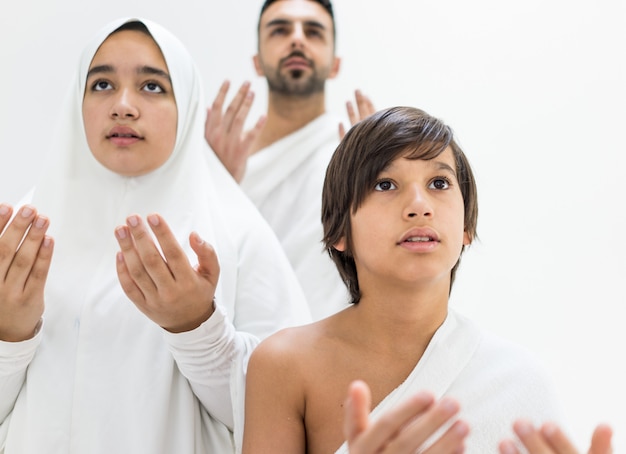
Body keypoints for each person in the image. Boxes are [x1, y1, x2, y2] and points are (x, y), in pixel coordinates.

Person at [0, 17, 311, 454]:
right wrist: (9, 335)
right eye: (102, 84)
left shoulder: (233, 229)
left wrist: (198, 330)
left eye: (152, 87)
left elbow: (287, 411)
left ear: (186, 104)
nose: (123, 105)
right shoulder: (24, 231)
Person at [241, 106, 612, 453]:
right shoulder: (283, 366)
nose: (420, 205)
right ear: (340, 231)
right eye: (385, 185)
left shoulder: (518, 382)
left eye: (439, 182)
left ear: (466, 226)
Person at [205, 0, 375, 320]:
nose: (297, 39)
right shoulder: (222, 155)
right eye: (280, 30)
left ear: (335, 64)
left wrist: (382, 182)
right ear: (257, 62)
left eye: (313, 32)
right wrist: (217, 180)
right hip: (232, 344)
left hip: (330, 344)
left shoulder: (350, 151)